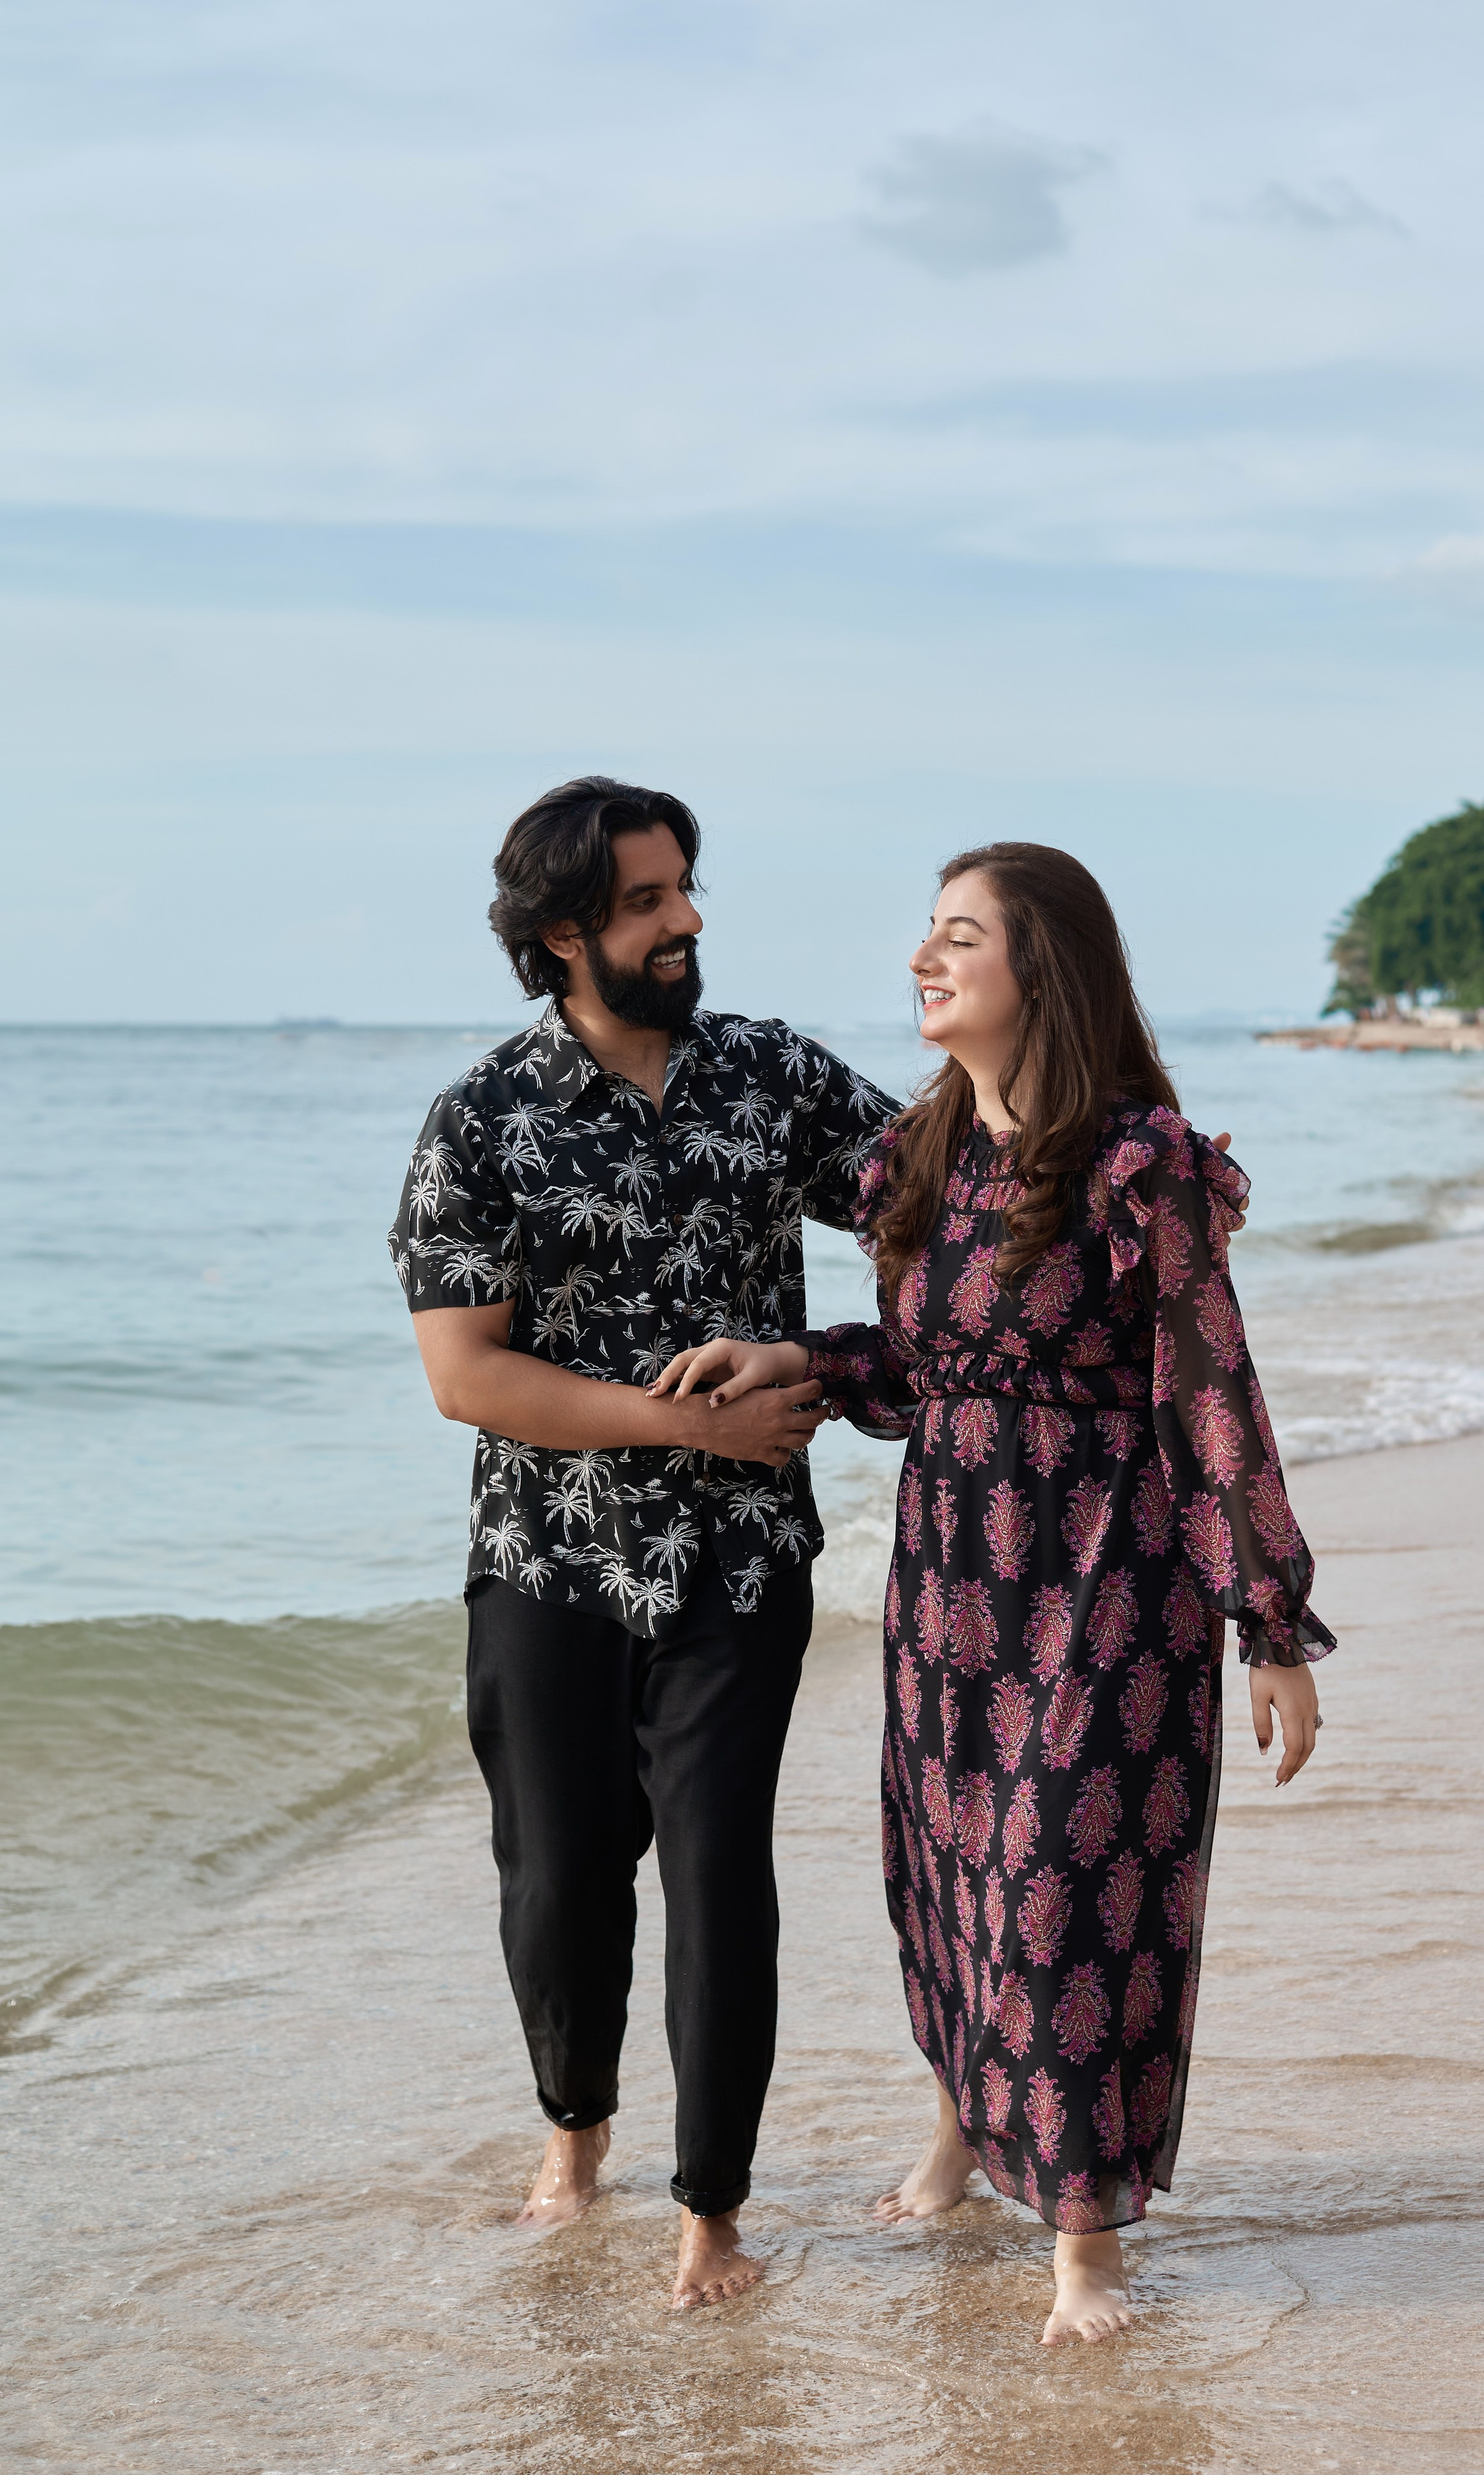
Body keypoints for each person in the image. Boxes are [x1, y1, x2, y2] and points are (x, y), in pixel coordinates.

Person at [650, 840, 1333, 2345]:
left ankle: (1083, 2245)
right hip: (953, 1576)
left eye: (960, 935)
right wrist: (804, 1364)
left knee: (1066, 1888)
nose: (922, 956)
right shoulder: (923, 1158)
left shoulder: (1135, 1160)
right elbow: (932, 1365)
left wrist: (1267, 1620)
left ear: (1045, 970)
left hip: (1107, 1574)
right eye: (927, 930)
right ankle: (967, 2117)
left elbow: (1206, 1387)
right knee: (952, 1867)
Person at [389, 777, 895, 2309]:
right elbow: (463, 1375)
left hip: (743, 1565)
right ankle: (574, 2132)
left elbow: (946, 1206)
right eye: (645, 901)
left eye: (683, 889)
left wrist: (832, 1358)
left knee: (719, 1874)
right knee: (555, 1882)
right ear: (559, 935)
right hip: (545, 1560)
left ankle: (712, 2214)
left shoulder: (770, 1076)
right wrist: (684, 1423)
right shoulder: (481, 1119)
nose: (684, 922)